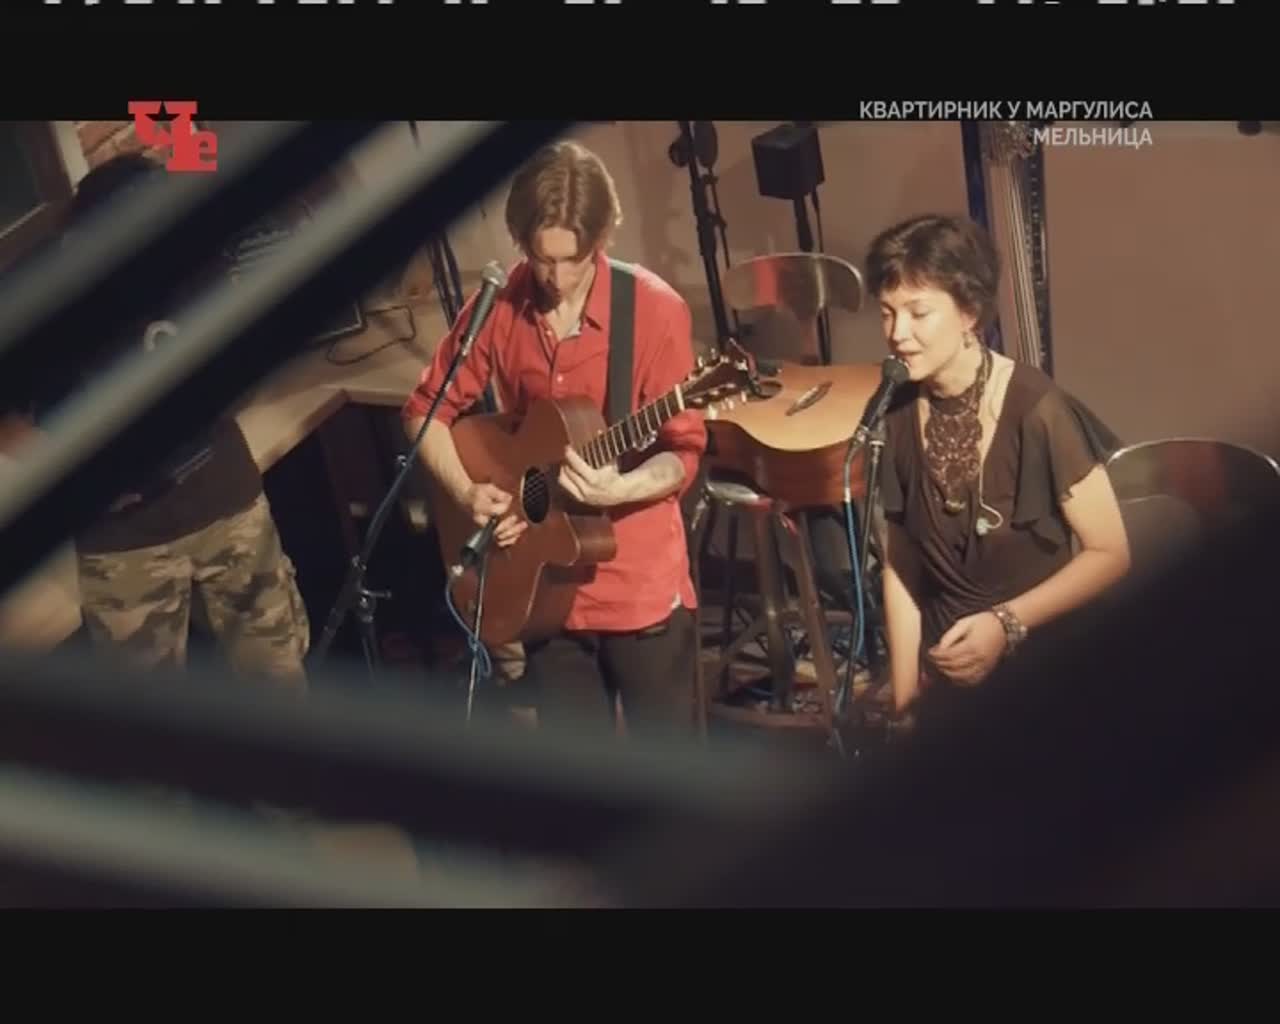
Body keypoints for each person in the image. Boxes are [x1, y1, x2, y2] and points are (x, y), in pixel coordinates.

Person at [402, 140, 707, 738]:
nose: (558, 279)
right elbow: (424, 413)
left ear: (602, 239)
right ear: (520, 240)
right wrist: (467, 492)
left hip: (638, 584)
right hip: (540, 588)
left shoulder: (654, 311)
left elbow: (684, 451)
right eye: (543, 260)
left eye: (575, 260)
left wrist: (622, 488)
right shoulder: (499, 305)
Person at [8, 152, 311, 684]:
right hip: (122, 541)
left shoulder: (198, 255)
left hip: (227, 500)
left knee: (278, 681)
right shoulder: (47, 301)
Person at [866, 214, 1130, 715]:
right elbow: (901, 568)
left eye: (918, 313)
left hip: (1045, 669)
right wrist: (904, 705)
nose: (898, 333)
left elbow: (1110, 553)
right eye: (886, 313)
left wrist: (1005, 624)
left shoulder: (1037, 408)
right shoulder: (896, 410)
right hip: (949, 674)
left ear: (969, 312)